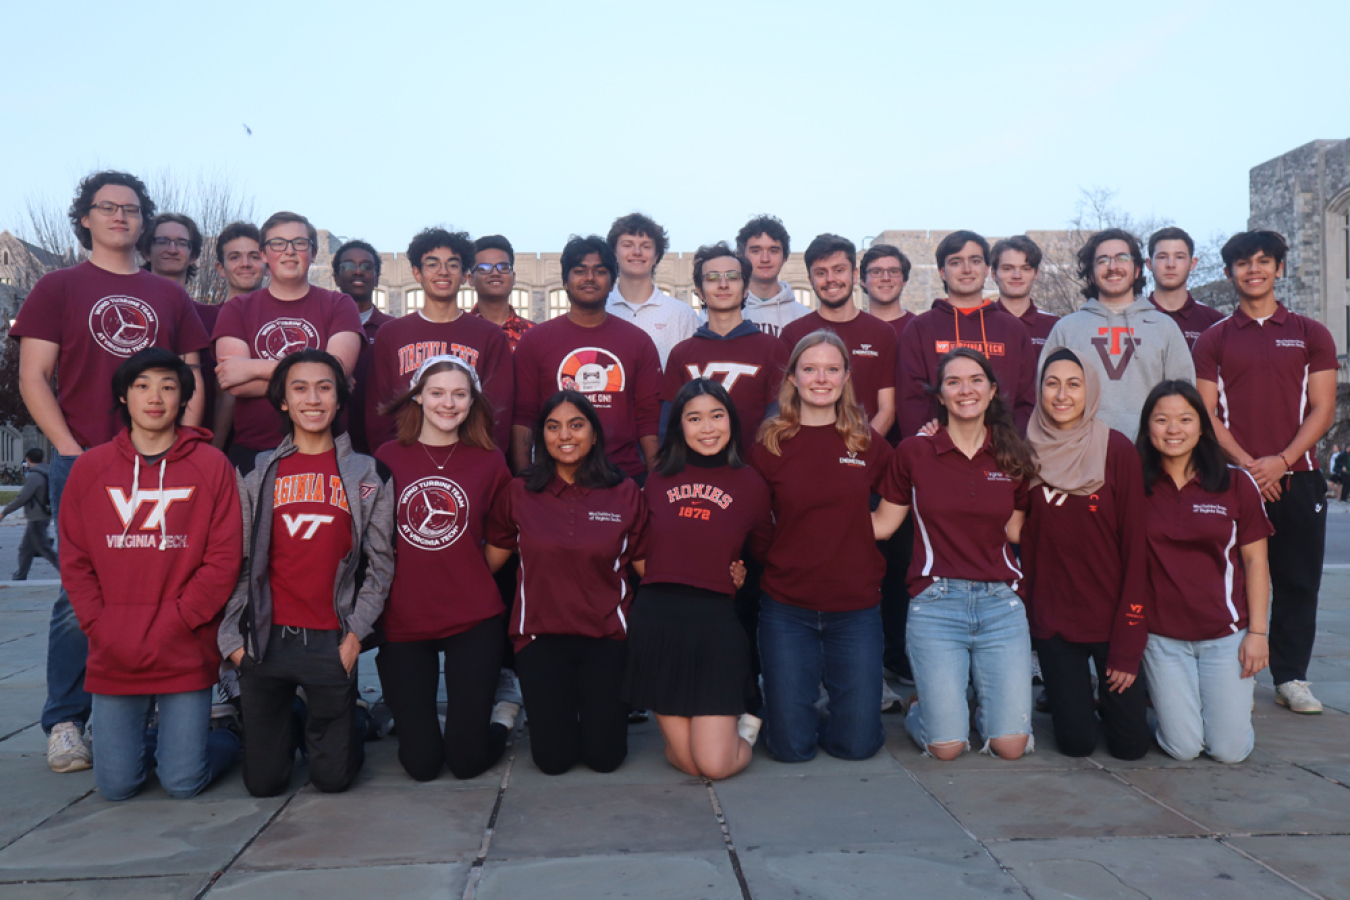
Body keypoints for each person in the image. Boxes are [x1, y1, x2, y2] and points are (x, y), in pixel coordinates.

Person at [12, 170, 211, 774]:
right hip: (89, 463)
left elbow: (192, 376)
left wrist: (187, 445)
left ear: (143, 221)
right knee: (81, 597)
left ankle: (146, 709)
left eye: (130, 209)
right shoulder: (58, 287)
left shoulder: (168, 295)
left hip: (165, 462)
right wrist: (71, 450)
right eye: (107, 207)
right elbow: (32, 377)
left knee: (166, 582)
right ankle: (66, 720)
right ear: (85, 219)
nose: (120, 217)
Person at [60, 348, 242, 799]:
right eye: (142, 386)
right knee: (117, 787)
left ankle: (231, 735)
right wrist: (100, 626)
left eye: (168, 386)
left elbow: (222, 561)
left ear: (183, 399)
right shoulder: (89, 469)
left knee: (183, 784)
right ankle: (153, 742)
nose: (154, 397)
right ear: (124, 395)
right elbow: (75, 560)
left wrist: (179, 621)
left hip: (182, 644)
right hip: (114, 647)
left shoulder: (212, 466)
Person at [218, 349, 394, 796]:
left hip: (330, 640)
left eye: (324, 387)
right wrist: (232, 643)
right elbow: (234, 560)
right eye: (300, 388)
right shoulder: (254, 472)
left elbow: (380, 563)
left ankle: (346, 716)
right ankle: (293, 714)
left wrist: (354, 636)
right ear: (282, 400)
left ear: (338, 400)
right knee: (264, 783)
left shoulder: (369, 474)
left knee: (332, 780)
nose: (312, 399)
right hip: (265, 640)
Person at [1193, 230, 1337, 715]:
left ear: (1279, 268)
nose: (1252, 270)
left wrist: (1281, 461)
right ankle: (1232, 673)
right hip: (1234, 480)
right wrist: (1251, 468)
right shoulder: (1213, 338)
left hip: (1299, 477)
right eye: (1242, 263)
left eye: (1263, 261)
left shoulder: (1311, 333)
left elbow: (1323, 409)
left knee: (1297, 581)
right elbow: (1205, 414)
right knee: (1228, 580)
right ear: (1230, 272)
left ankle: (1291, 677)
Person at [873, 348, 1036, 761]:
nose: (966, 389)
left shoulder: (1012, 454)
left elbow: (1018, 531)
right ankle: (922, 709)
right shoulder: (914, 452)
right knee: (945, 748)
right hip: (936, 604)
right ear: (941, 397)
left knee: (1010, 746)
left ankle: (981, 711)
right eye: (953, 382)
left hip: (1001, 605)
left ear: (992, 390)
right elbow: (883, 525)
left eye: (976, 380)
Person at [486, 391, 648, 775]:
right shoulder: (519, 492)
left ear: (594, 434)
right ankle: (508, 718)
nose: (565, 436)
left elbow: (648, 567)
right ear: (541, 437)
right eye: (553, 427)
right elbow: (487, 564)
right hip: (541, 639)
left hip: (607, 639)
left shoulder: (624, 492)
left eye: (576, 425)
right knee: (553, 761)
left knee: (605, 759)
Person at [751, 331, 892, 762]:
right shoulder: (769, 443)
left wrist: (872, 529)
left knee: (857, 746)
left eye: (832, 369)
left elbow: (902, 491)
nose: (820, 379)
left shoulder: (865, 440)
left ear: (846, 377)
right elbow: (755, 524)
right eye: (810, 369)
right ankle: (783, 705)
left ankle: (847, 714)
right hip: (787, 607)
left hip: (854, 608)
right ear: (792, 377)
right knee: (791, 748)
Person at [374, 356, 517, 780]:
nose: (448, 403)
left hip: (472, 617)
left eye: (459, 394)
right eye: (437, 393)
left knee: (466, 761)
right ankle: (429, 727)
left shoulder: (489, 460)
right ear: (418, 396)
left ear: (472, 402)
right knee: (420, 765)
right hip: (404, 619)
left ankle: (503, 716)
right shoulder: (386, 457)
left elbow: (505, 534)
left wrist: (468, 572)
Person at [625, 379, 773, 779]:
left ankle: (746, 729)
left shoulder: (751, 484)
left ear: (732, 421)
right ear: (679, 426)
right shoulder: (656, 479)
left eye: (716, 416)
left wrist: (738, 571)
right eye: (695, 418)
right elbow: (635, 547)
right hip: (657, 623)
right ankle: (706, 739)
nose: (707, 428)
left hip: (714, 627)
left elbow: (762, 552)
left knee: (714, 765)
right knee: (691, 763)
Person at [1019, 349, 1149, 759]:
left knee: (1130, 748)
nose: (1062, 394)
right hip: (1055, 622)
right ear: (1039, 391)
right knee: (1076, 744)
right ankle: (1074, 701)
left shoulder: (1117, 451)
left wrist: (1128, 645)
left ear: (1089, 390)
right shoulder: (1023, 452)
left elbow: (1136, 547)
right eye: (1052, 383)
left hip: (1111, 620)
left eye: (1074, 384)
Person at [1138, 381, 1272, 763]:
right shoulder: (1135, 482)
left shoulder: (1236, 483)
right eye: (1161, 420)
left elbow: (1255, 562)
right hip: (1163, 638)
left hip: (1225, 636)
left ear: (1202, 427)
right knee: (1183, 748)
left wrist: (1258, 634)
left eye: (1185, 419)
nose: (1173, 429)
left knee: (1228, 751)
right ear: (1149, 427)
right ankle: (1180, 714)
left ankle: (1226, 708)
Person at [212, 211, 363, 473]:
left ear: (313, 253)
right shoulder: (237, 308)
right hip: (254, 452)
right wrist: (321, 380)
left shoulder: (339, 304)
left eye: (300, 243)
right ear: (263, 254)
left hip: (326, 451)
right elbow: (234, 384)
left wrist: (251, 368)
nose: (289, 251)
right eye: (278, 243)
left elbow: (338, 372)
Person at [512, 235, 661, 482]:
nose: (590, 278)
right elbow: (523, 417)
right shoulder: (535, 341)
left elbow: (648, 419)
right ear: (565, 282)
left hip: (624, 476)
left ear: (612, 282)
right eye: (580, 271)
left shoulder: (638, 341)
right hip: (554, 479)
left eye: (599, 271)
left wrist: (656, 483)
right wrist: (523, 479)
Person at [366, 229, 513, 455]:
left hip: (469, 460)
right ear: (417, 273)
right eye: (432, 264)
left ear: (465, 275)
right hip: (405, 460)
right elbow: (379, 411)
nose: (443, 272)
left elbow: (498, 413)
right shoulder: (391, 334)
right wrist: (389, 462)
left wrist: (483, 462)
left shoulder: (490, 336)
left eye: (453, 265)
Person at [1040, 228, 1194, 438]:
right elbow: (1045, 399)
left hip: (1149, 453)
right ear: (1091, 275)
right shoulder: (1066, 329)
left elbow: (1185, 399)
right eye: (1103, 260)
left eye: (1122, 258)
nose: (1113, 267)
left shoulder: (1164, 328)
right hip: (1079, 452)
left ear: (1137, 269)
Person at [897, 230, 1036, 436]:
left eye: (975, 260)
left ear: (988, 269)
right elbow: (911, 400)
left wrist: (1008, 441)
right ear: (942, 272)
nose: (967, 269)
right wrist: (931, 446)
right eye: (956, 262)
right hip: (938, 452)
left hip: (1003, 452)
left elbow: (1028, 399)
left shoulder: (1013, 329)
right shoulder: (920, 328)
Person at [661, 242, 788, 447]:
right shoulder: (681, 354)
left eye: (732, 277)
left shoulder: (772, 349)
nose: (723, 284)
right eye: (712, 278)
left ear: (746, 289)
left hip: (756, 473)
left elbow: (780, 421)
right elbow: (668, 429)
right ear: (700, 292)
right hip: (697, 473)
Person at [780, 234, 897, 435]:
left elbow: (887, 408)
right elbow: (786, 402)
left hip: (866, 450)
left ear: (854, 274)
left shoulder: (883, 333)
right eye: (821, 273)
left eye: (839, 270)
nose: (831, 279)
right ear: (810, 280)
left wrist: (861, 451)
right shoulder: (793, 334)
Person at [201, 221, 267, 452]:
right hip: (206, 444)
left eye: (254, 256)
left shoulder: (283, 323)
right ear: (221, 268)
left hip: (266, 446)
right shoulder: (202, 319)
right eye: (235, 257)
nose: (245, 264)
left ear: (267, 262)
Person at [605, 212, 699, 366]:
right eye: (627, 245)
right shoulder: (601, 309)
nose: (636, 252)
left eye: (646, 246)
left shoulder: (681, 314)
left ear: (656, 256)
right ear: (615, 253)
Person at [333, 239, 393, 455]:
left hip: (381, 441)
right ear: (336, 278)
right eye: (349, 266)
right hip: (331, 438)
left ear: (376, 278)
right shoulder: (322, 326)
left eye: (367, 267)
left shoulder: (392, 329)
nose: (358, 272)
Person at [1146, 227, 1224, 351]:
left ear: (1193, 263)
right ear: (1149, 264)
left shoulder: (1216, 323)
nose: (1170, 264)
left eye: (1180, 257)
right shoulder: (1129, 318)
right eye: (1162, 257)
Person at [735, 215, 810, 339]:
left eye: (773, 251)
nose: (765, 259)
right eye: (756, 251)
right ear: (742, 256)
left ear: (784, 257)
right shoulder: (723, 313)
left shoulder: (804, 318)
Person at [991, 235, 1058, 348]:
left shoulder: (1055, 325)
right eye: (1008, 268)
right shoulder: (980, 324)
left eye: (1025, 269)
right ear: (994, 274)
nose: (1017, 275)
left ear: (1036, 273)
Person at [1, 448, 58, 580]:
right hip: (43, 513)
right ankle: (20, 575)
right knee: (25, 549)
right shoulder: (48, 471)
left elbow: (22, 498)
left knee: (45, 550)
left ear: (28, 460)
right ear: (43, 459)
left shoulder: (34, 476)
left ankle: (68, 572)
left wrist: (5, 512)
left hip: (37, 516)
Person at [471, 235, 534, 351]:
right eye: (484, 268)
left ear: (513, 277)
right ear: (470, 278)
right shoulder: (461, 330)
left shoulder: (534, 334)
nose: (495, 273)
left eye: (503, 267)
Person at [140, 213, 203, 290]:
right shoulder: (126, 300)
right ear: (147, 253)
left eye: (181, 243)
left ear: (193, 256)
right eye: (162, 242)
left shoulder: (195, 302)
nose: (172, 250)